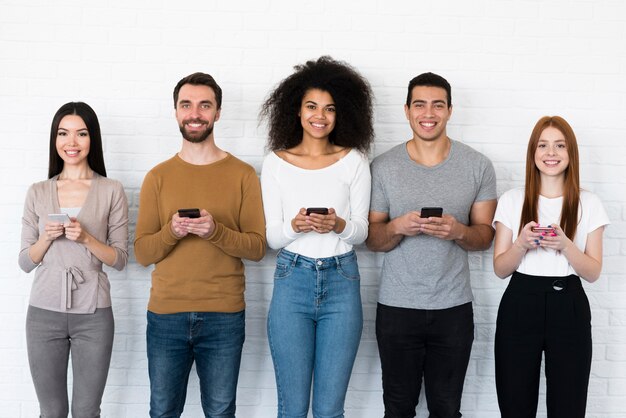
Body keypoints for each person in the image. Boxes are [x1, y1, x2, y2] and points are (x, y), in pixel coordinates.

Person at [134, 72, 266, 418]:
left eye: (204, 105)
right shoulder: (157, 177)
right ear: (176, 112)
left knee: (220, 411)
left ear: (218, 113)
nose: (195, 113)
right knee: (162, 411)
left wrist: (215, 231)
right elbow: (142, 252)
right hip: (166, 315)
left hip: (224, 315)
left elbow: (256, 248)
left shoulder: (243, 174)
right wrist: (171, 232)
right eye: (186, 105)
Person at [366, 72, 497, 418]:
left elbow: (485, 236)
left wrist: (459, 232)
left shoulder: (478, 166)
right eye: (420, 104)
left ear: (450, 110)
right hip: (396, 309)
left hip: (453, 310)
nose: (429, 113)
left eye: (438, 105)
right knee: (397, 408)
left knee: (446, 409)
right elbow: (373, 239)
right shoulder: (383, 167)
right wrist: (397, 226)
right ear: (407, 110)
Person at [260, 56, 374, 418]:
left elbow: (361, 232)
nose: (319, 116)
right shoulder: (276, 163)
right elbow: (271, 237)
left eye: (329, 108)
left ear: (341, 114)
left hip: (342, 280)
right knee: (292, 409)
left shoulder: (354, 161)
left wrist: (338, 224)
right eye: (311, 106)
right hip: (292, 280)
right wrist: (296, 225)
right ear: (296, 110)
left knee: (329, 410)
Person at [492, 116, 609, 418]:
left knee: (568, 405)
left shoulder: (589, 203)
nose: (551, 153)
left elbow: (593, 272)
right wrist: (521, 244)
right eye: (543, 145)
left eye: (560, 145)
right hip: (520, 301)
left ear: (571, 154)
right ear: (533, 152)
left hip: (568, 303)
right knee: (514, 401)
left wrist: (566, 245)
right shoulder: (512, 200)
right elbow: (500, 269)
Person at [18, 102, 129, 417]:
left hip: (94, 314)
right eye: (63, 133)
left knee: (86, 411)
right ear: (55, 140)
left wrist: (86, 238)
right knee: (51, 411)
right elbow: (26, 262)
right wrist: (47, 238)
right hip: (42, 314)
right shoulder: (38, 191)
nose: (72, 142)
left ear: (92, 139)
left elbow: (120, 259)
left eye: (81, 133)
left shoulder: (111, 190)